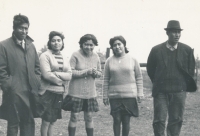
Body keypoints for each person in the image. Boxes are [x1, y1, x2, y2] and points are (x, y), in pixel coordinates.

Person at [147, 20, 197, 136]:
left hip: (179, 92)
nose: (177, 35)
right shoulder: (156, 50)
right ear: (167, 33)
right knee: (159, 120)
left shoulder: (187, 50)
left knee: (176, 120)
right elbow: (150, 69)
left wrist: (183, 85)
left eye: (179, 32)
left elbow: (190, 70)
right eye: (174, 32)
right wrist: (158, 81)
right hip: (161, 92)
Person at [0, 14, 41, 136]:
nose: (24, 31)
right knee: (13, 123)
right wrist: (10, 85)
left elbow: (37, 68)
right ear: (14, 28)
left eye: (26, 28)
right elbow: (1, 70)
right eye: (21, 28)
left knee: (28, 122)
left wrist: (36, 82)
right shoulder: (3, 45)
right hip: (14, 92)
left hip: (30, 92)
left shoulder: (31, 46)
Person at [103, 36, 143, 136]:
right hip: (115, 96)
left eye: (119, 44)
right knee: (116, 119)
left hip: (129, 96)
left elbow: (139, 77)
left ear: (124, 45)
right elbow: (106, 79)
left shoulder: (133, 59)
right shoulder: (109, 61)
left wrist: (140, 93)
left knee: (126, 120)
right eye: (114, 45)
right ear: (112, 48)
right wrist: (104, 96)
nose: (117, 47)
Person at [62, 34, 102, 136]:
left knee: (89, 117)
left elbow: (100, 73)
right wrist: (86, 72)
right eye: (86, 44)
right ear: (81, 44)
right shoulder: (75, 55)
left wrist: (96, 73)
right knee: (74, 116)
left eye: (91, 45)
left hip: (90, 93)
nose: (89, 47)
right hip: (76, 92)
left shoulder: (96, 56)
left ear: (94, 45)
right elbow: (71, 72)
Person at [38, 31, 72, 136]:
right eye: (53, 40)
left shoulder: (64, 57)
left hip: (59, 93)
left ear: (62, 42)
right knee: (46, 121)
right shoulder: (45, 56)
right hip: (47, 93)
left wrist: (56, 73)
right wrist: (62, 78)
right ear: (50, 42)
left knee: (53, 121)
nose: (56, 43)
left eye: (59, 40)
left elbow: (70, 74)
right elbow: (47, 75)